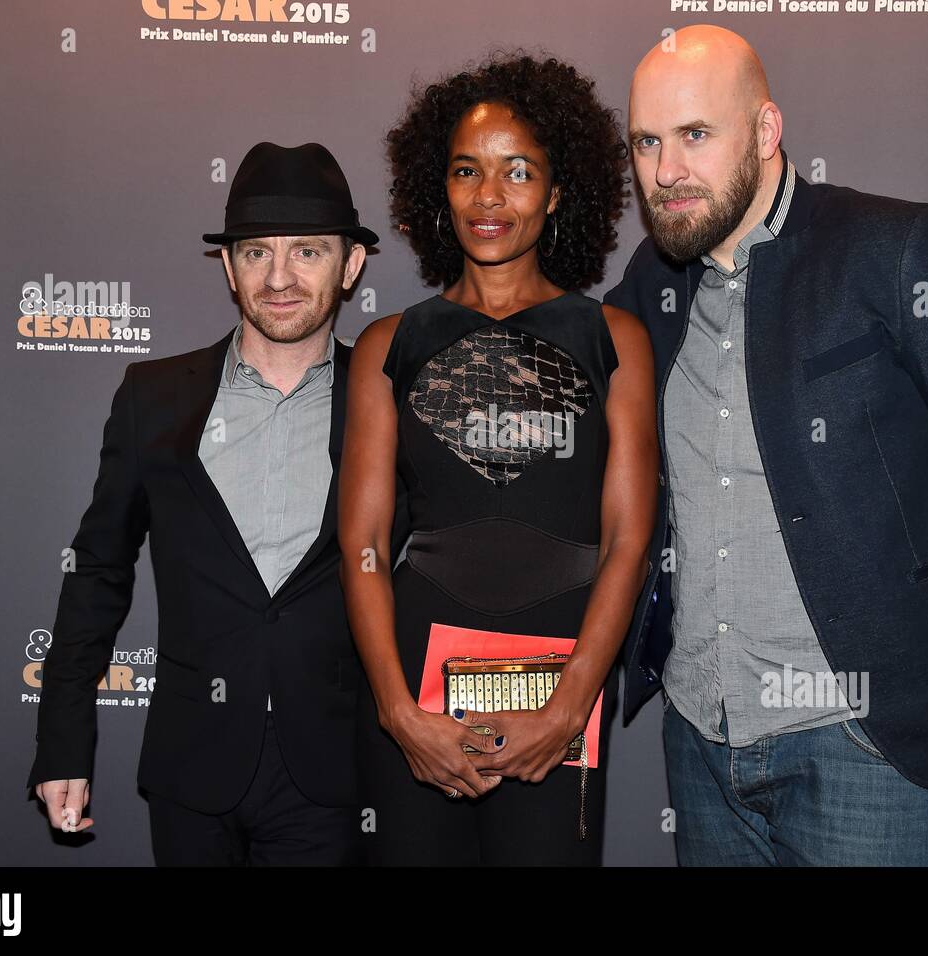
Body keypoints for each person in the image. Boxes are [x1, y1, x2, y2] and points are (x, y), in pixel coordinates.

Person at [606, 26, 928, 866]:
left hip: (864, 742)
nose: (665, 170)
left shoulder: (897, 246)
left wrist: (890, 569)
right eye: (646, 142)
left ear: (766, 129)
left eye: (695, 135)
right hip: (703, 741)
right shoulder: (651, 283)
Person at [27, 141, 400, 865]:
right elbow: (98, 572)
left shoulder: (389, 399)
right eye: (257, 253)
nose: (281, 277)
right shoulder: (153, 397)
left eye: (309, 252)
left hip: (337, 772)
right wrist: (62, 742)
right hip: (192, 768)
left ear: (351, 265)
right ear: (228, 267)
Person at [338, 52, 657, 866]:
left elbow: (628, 540)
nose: (490, 196)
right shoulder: (389, 344)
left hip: (561, 683)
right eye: (466, 171)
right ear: (437, 192)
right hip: (418, 684)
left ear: (557, 193)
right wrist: (396, 711)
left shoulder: (614, 340)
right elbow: (364, 542)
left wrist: (571, 706)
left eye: (519, 172)